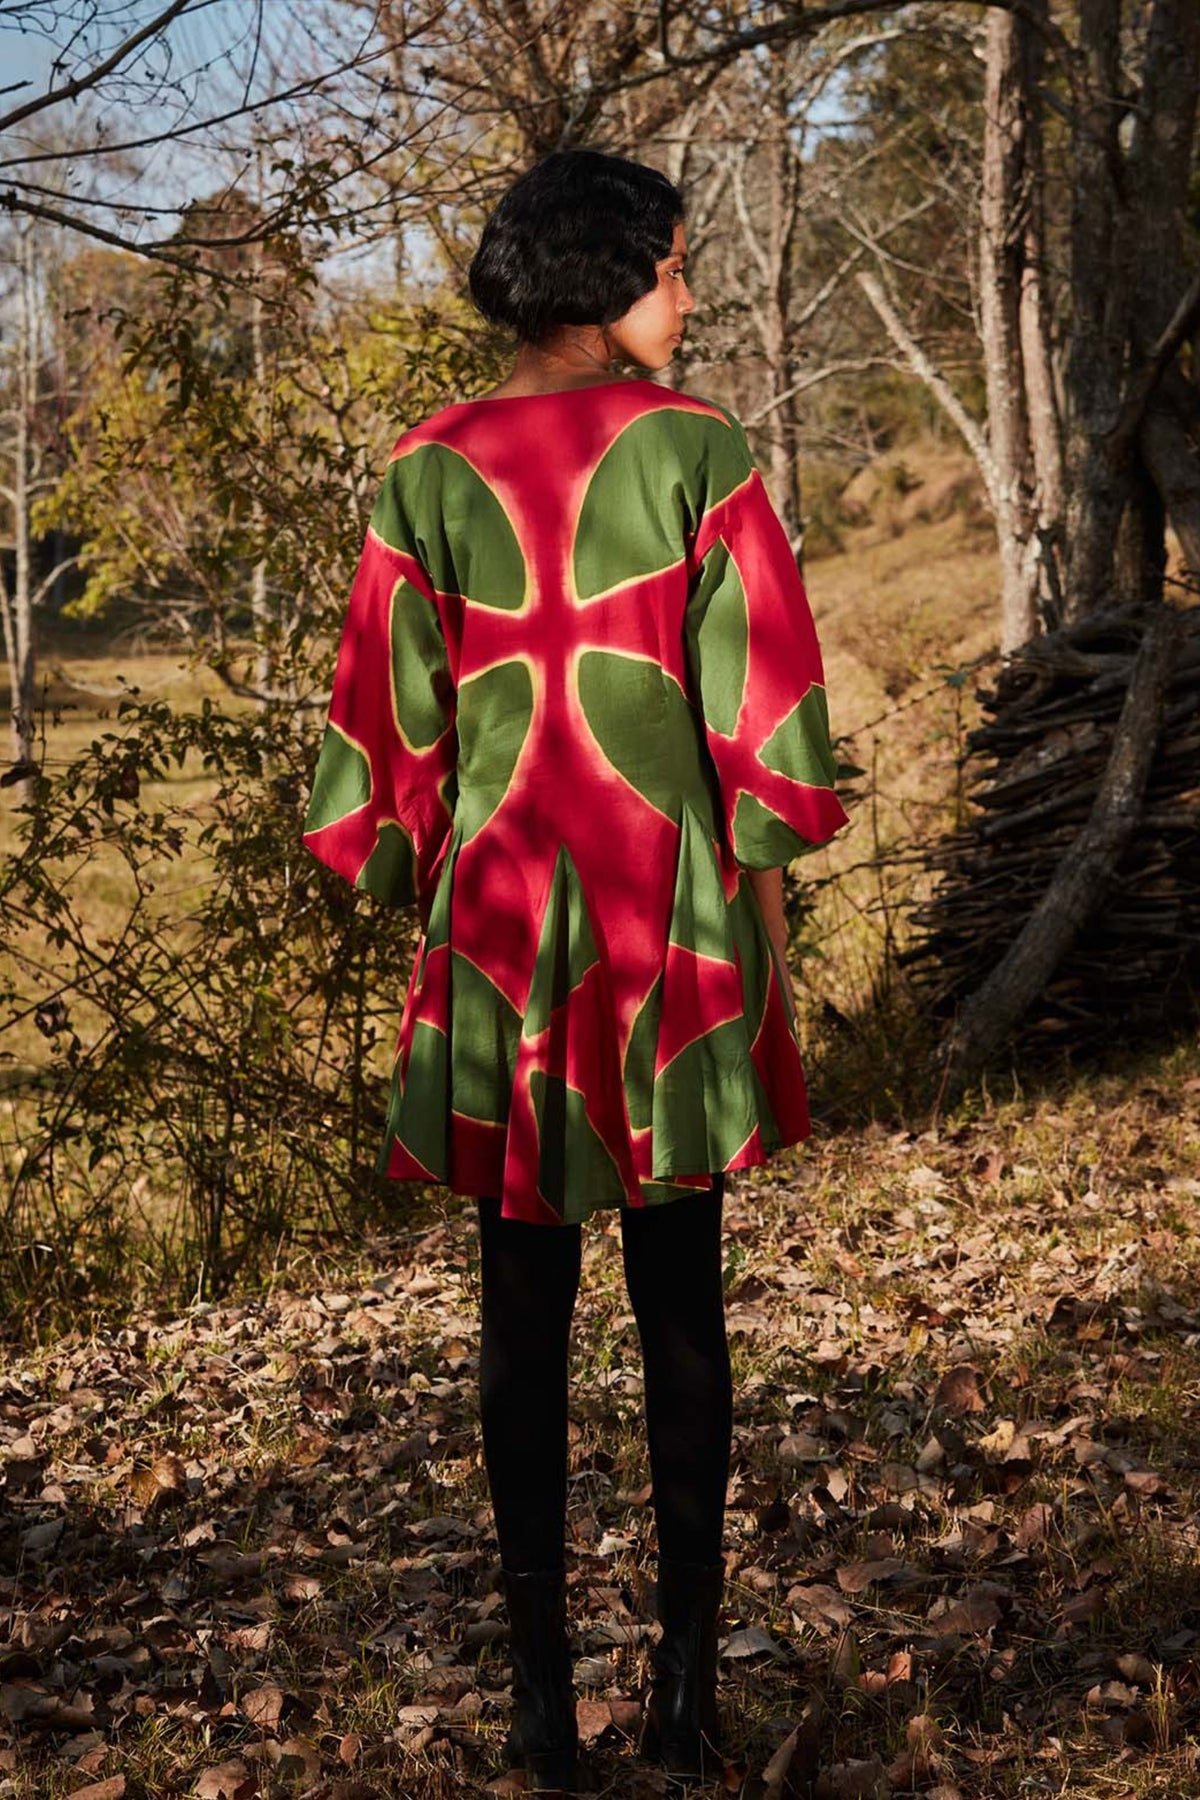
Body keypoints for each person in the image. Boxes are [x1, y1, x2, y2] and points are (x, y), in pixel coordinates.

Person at [303, 148, 849, 1794]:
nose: (687, 300)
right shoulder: (699, 452)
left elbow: (380, 755)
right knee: (683, 1301)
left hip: (499, 938)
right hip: (664, 926)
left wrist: (424, 857)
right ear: (611, 278)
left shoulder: (421, 471)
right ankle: (682, 1699)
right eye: (679, 269)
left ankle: (546, 1709)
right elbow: (771, 729)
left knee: (519, 1309)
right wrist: (764, 895)